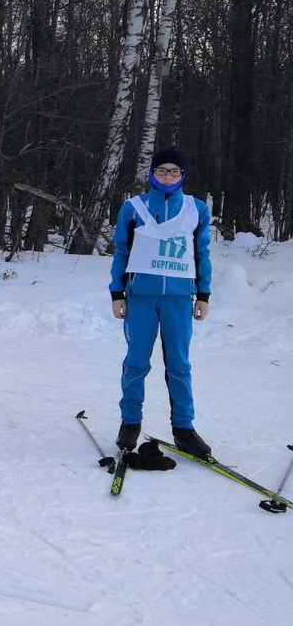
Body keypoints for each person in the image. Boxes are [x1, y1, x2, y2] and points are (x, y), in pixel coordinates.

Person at [109, 146, 213, 457]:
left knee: (179, 364)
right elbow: (121, 251)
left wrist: (204, 295)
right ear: (152, 173)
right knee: (136, 362)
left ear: (183, 175)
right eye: (162, 171)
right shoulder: (133, 208)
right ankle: (130, 422)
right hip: (140, 297)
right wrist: (117, 293)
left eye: (174, 171)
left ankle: (184, 428)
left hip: (179, 298)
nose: (168, 177)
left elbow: (202, 253)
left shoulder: (196, 209)